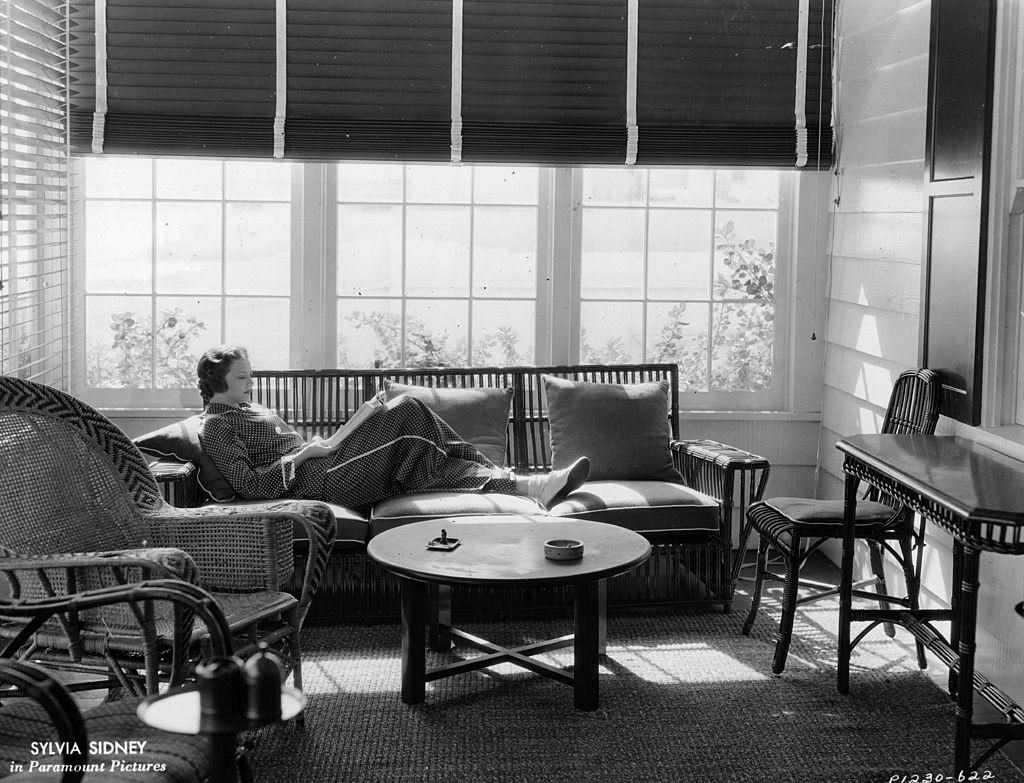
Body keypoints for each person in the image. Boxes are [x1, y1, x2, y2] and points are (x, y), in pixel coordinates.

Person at [196, 345, 590, 510]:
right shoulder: (216, 428)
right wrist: (304, 454)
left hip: (325, 464)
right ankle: (523, 482)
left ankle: (531, 487)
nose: (252, 383)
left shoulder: (246, 409)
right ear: (218, 382)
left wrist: (321, 445)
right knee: (408, 409)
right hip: (316, 482)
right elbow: (250, 486)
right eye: (244, 377)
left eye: (250, 376)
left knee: (419, 458)